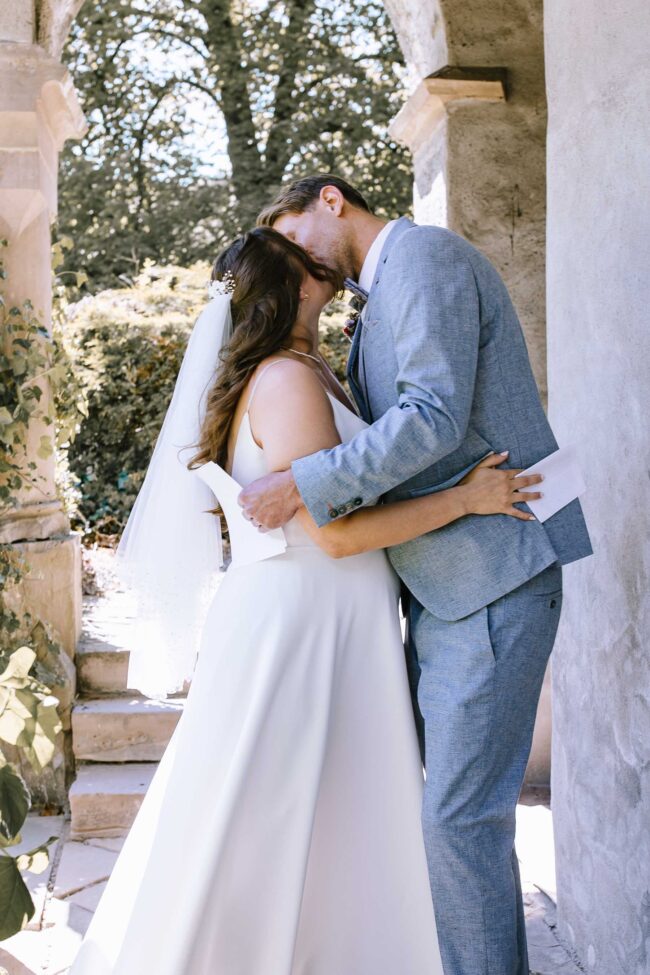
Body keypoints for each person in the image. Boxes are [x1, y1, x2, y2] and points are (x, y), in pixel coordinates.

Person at [69, 226, 542, 975]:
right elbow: (338, 535)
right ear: (288, 288)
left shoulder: (311, 367)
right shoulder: (286, 381)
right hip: (303, 622)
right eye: (301, 261)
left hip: (333, 618)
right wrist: (466, 499)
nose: (320, 264)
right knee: (267, 805)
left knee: (324, 807)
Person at [239, 176, 594, 975]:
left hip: (494, 574)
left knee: (458, 822)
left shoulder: (425, 257)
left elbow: (432, 416)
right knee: (452, 821)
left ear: (331, 199)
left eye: (293, 232)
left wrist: (305, 481)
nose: (294, 256)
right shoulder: (375, 298)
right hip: (440, 589)